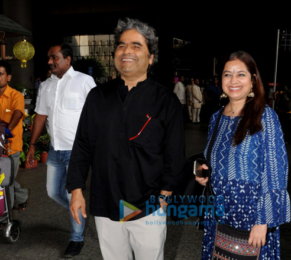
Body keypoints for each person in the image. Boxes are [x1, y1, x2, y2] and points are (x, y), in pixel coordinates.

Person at [66, 18, 185, 260]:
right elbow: (82, 146)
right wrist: (76, 190)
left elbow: (175, 153)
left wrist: (165, 195)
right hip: (106, 201)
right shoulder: (98, 97)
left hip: (147, 205)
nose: (126, 51)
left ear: (150, 57)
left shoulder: (165, 101)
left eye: (136, 45)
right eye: (121, 45)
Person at [195, 51, 291, 260]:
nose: (233, 80)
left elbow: (275, 172)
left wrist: (263, 221)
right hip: (218, 208)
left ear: (252, 80)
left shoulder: (265, 116)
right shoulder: (216, 117)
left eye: (241, 74)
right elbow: (209, 155)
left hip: (252, 210)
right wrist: (202, 171)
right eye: (227, 74)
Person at [26, 43, 96, 257]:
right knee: (53, 192)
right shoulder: (46, 85)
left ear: (67, 59)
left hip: (77, 151)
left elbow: (97, 114)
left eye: (54, 57)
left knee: (71, 193)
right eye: (49, 58)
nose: (50, 62)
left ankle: (76, 238)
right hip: (55, 150)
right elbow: (40, 115)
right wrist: (32, 145)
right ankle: (79, 211)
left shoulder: (84, 81)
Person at [0, 60, 28, 215]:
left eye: (1, 74)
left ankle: (6, 215)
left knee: (7, 181)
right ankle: (22, 196)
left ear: (8, 77)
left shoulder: (15, 95)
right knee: (4, 179)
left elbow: (17, 113)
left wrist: (6, 131)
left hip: (11, 147)